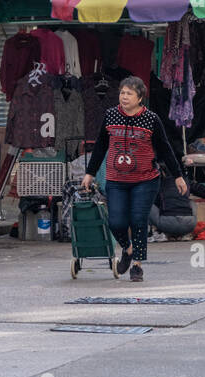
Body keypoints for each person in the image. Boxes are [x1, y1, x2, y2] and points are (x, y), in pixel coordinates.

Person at [82, 76, 188, 283]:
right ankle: (128, 250)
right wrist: (90, 172)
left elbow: (165, 148)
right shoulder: (111, 115)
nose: (124, 96)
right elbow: (101, 146)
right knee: (116, 221)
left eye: (129, 93)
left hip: (145, 179)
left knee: (138, 220)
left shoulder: (151, 119)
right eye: (122, 92)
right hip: (116, 179)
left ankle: (137, 265)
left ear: (140, 97)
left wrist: (178, 176)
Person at [149, 167, 196, 241]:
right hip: (189, 225)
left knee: (146, 203)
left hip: (167, 224)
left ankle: (153, 233)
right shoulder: (185, 181)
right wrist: (192, 185)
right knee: (191, 202)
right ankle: (185, 234)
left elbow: (155, 201)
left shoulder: (160, 184)